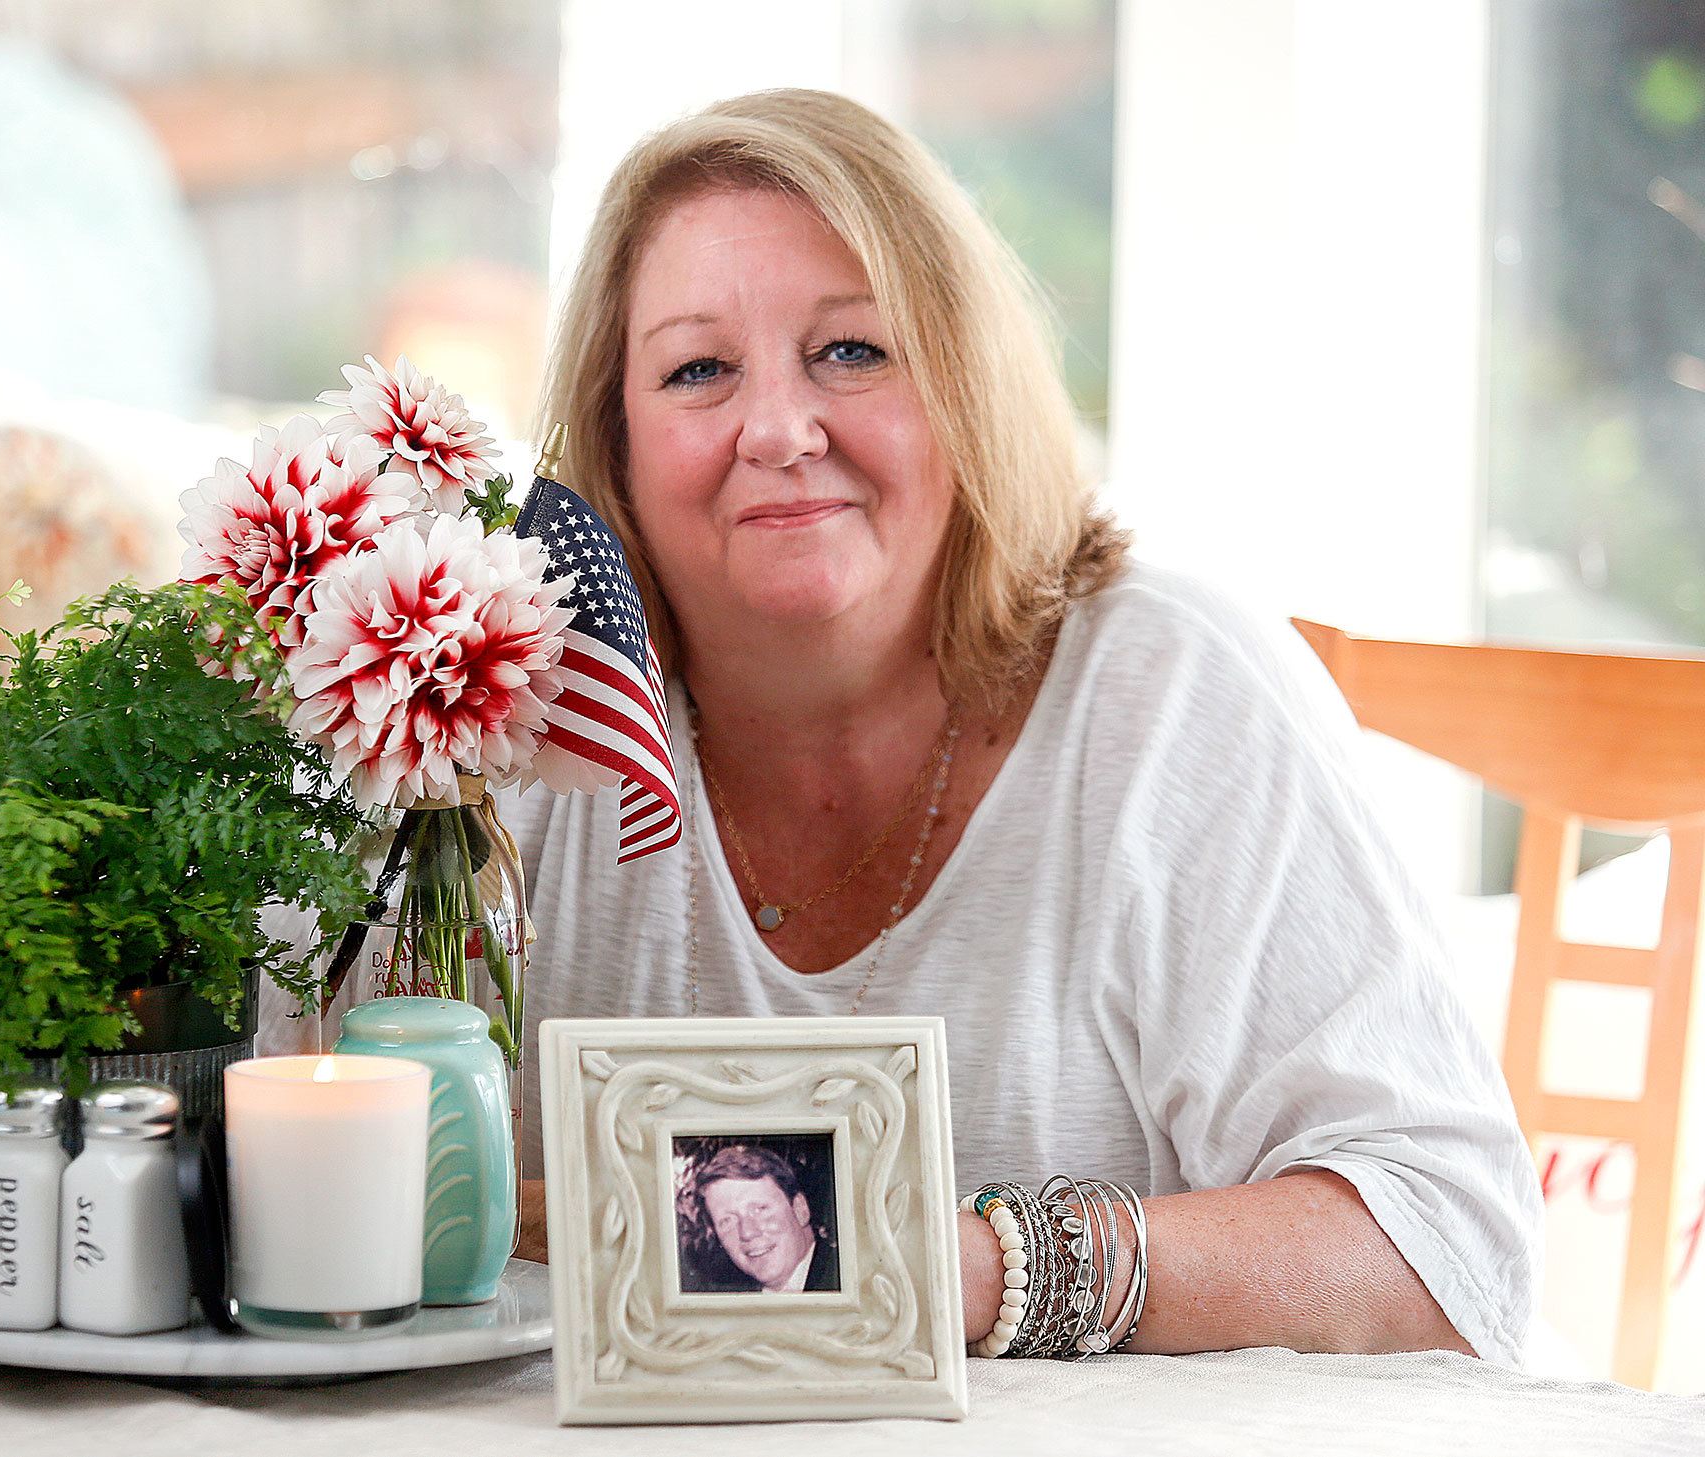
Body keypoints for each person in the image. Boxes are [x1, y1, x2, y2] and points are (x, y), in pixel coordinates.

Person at [496, 86, 1539, 1362]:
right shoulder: (492, 727)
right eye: (697, 369)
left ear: (965, 386)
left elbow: (1445, 1251)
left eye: (851, 350)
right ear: (614, 435)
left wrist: (973, 1265)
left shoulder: (1172, 696)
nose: (777, 428)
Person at [682, 1145, 839, 1294]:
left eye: (760, 1209)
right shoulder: (723, 1307)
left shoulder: (847, 1279)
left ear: (800, 1210)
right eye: (727, 1221)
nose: (747, 1233)